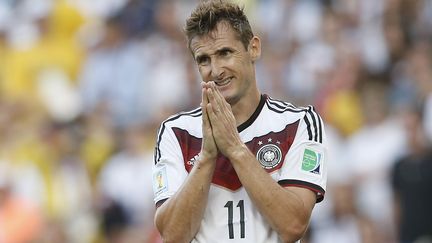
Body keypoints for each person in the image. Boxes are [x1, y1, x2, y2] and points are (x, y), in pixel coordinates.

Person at [151, 1, 328, 242]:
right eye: (204, 59)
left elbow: (293, 225)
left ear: (253, 48)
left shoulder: (299, 123)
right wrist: (206, 157)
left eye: (225, 53)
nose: (216, 70)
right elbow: (173, 235)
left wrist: (235, 148)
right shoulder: (176, 132)